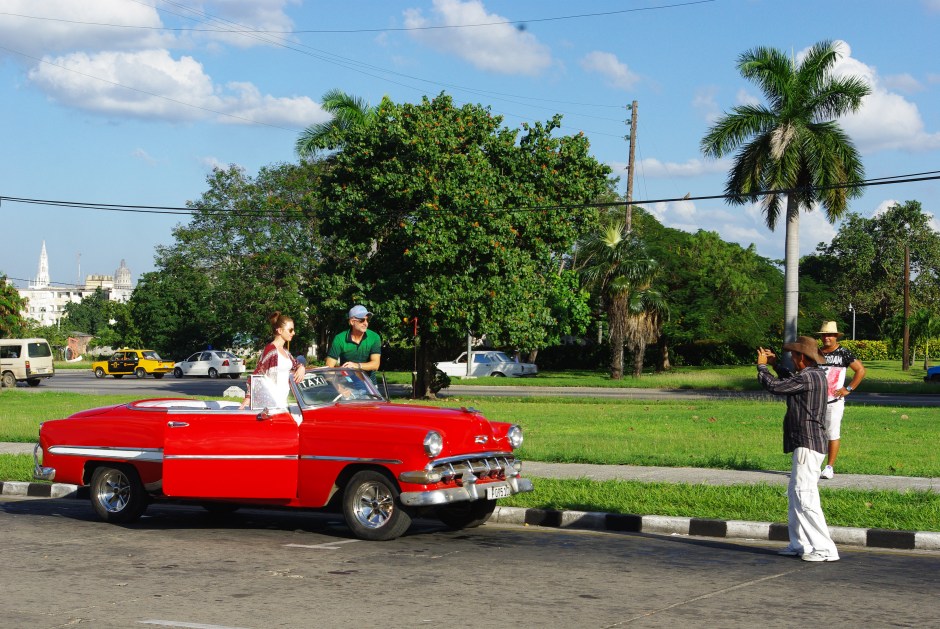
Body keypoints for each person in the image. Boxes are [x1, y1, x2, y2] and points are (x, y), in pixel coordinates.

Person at [757, 336, 840, 562]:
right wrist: (775, 365)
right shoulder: (812, 375)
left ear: (802, 357)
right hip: (806, 444)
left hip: (808, 444)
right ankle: (799, 544)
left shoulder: (808, 377)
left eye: (794, 356)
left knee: (805, 496)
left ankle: (825, 549)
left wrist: (762, 366)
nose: (792, 360)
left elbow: (775, 386)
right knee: (795, 495)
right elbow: (791, 380)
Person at [816, 321, 866, 479]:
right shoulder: (816, 352)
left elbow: (860, 370)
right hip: (816, 402)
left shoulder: (844, 352)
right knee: (816, 434)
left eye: (830, 335)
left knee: (832, 433)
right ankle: (815, 465)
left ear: (836, 336)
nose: (827, 338)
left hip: (834, 402)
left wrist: (848, 389)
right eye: (824, 335)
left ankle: (829, 467)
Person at [242, 312, 305, 410]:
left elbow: (296, 364)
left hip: (282, 402)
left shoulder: (285, 351)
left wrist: (301, 367)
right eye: (291, 330)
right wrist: (249, 397)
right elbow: (256, 375)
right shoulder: (270, 350)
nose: (294, 333)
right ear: (280, 330)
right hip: (268, 404)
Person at [325, 305, 381, 383]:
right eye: (362, 320)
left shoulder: (374, 337)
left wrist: (356, 366)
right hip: (348, 384)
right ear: (352, 322)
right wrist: (339, 388)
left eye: (367, 320)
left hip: (369, 385)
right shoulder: (339, 338)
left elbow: (375, 365)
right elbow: (329, 367)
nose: (366, 323)